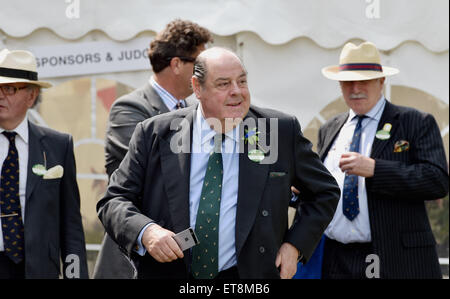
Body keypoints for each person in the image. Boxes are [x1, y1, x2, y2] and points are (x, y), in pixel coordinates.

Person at [96, 47, 340, 279]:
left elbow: (324, 192)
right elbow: (114, 200)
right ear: (197, 88)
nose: (237, 91)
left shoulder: (276, 131)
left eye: (242, 81)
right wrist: (146, 232)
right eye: (223, 84)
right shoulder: (155, 133)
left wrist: (295, 245)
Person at [317, 41, 448, 279]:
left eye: (364, 80)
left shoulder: (415, 122)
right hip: (337, 258)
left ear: (381, 81)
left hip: (397, 259)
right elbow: (323, 191)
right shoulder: (329, 129)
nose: (355, 88)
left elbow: (437, 180)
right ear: (339, 84)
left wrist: (376, 169)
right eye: (348, 81)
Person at [93, 19, 212, 279]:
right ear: (177, 64)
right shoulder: (130, 108)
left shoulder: (196, 113)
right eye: (200, 64)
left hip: (183, 256)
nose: (207, 72)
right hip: (135, 257)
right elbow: (152, 175)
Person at [0, 49, 88, 278]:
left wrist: (75, 276)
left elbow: (71, 227)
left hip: (39, 270)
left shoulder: (59, 145)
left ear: (31, 96)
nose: (0, 95)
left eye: (8, 89)